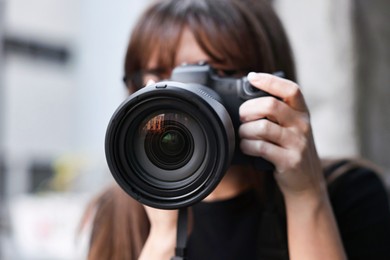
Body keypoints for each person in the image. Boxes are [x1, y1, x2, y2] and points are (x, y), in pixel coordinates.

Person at [81, 0, 390, 259]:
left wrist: (306, 195)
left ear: (271, 86)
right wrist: (163, 236)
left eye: (220, 75)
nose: (180, 100)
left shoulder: (349, 193)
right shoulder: (117, 213)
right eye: (161, 76)